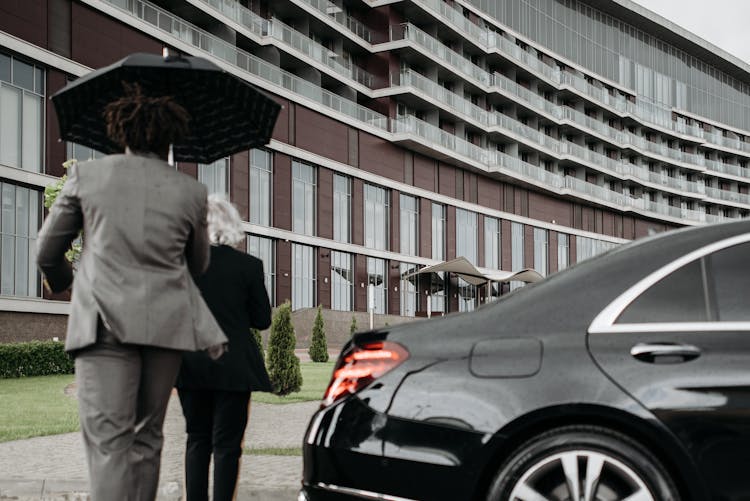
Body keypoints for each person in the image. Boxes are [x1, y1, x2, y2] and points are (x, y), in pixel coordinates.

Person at [36, 83, 227, 501]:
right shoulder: (191, 192)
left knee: (109, 444)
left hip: (102, 326)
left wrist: (69, 281)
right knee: (147, 439)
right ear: (169, 137)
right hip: (164, 329)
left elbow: (46, 252)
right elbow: (197, 266)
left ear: (118, 131)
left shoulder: (87, 176)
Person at [175, 195, 273, 501]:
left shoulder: (180, 266)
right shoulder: (249, 266)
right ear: (231, 226)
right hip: (234, 367)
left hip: (190, 363)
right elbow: (262, 320)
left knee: (196, 438)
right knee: (228, 445)